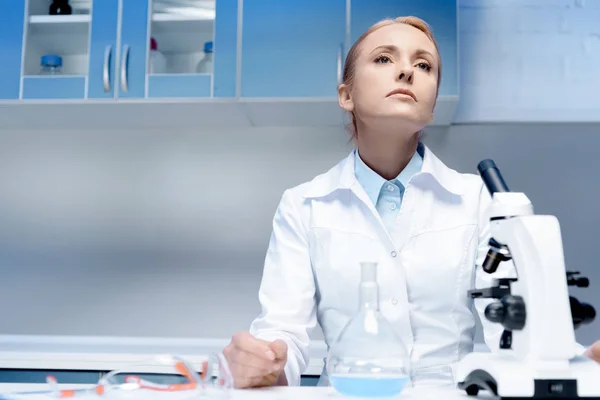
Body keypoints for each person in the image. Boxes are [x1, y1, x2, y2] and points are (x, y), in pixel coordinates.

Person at [223, 16, 600, 389]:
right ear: (346, 95)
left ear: (432, 106)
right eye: (384, 59)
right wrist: (265, 363)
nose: (407, 71)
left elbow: (514, 327)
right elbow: (283, 333)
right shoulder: (304, 205)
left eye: (424, 65)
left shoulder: (480, 202)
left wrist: (574, 363)